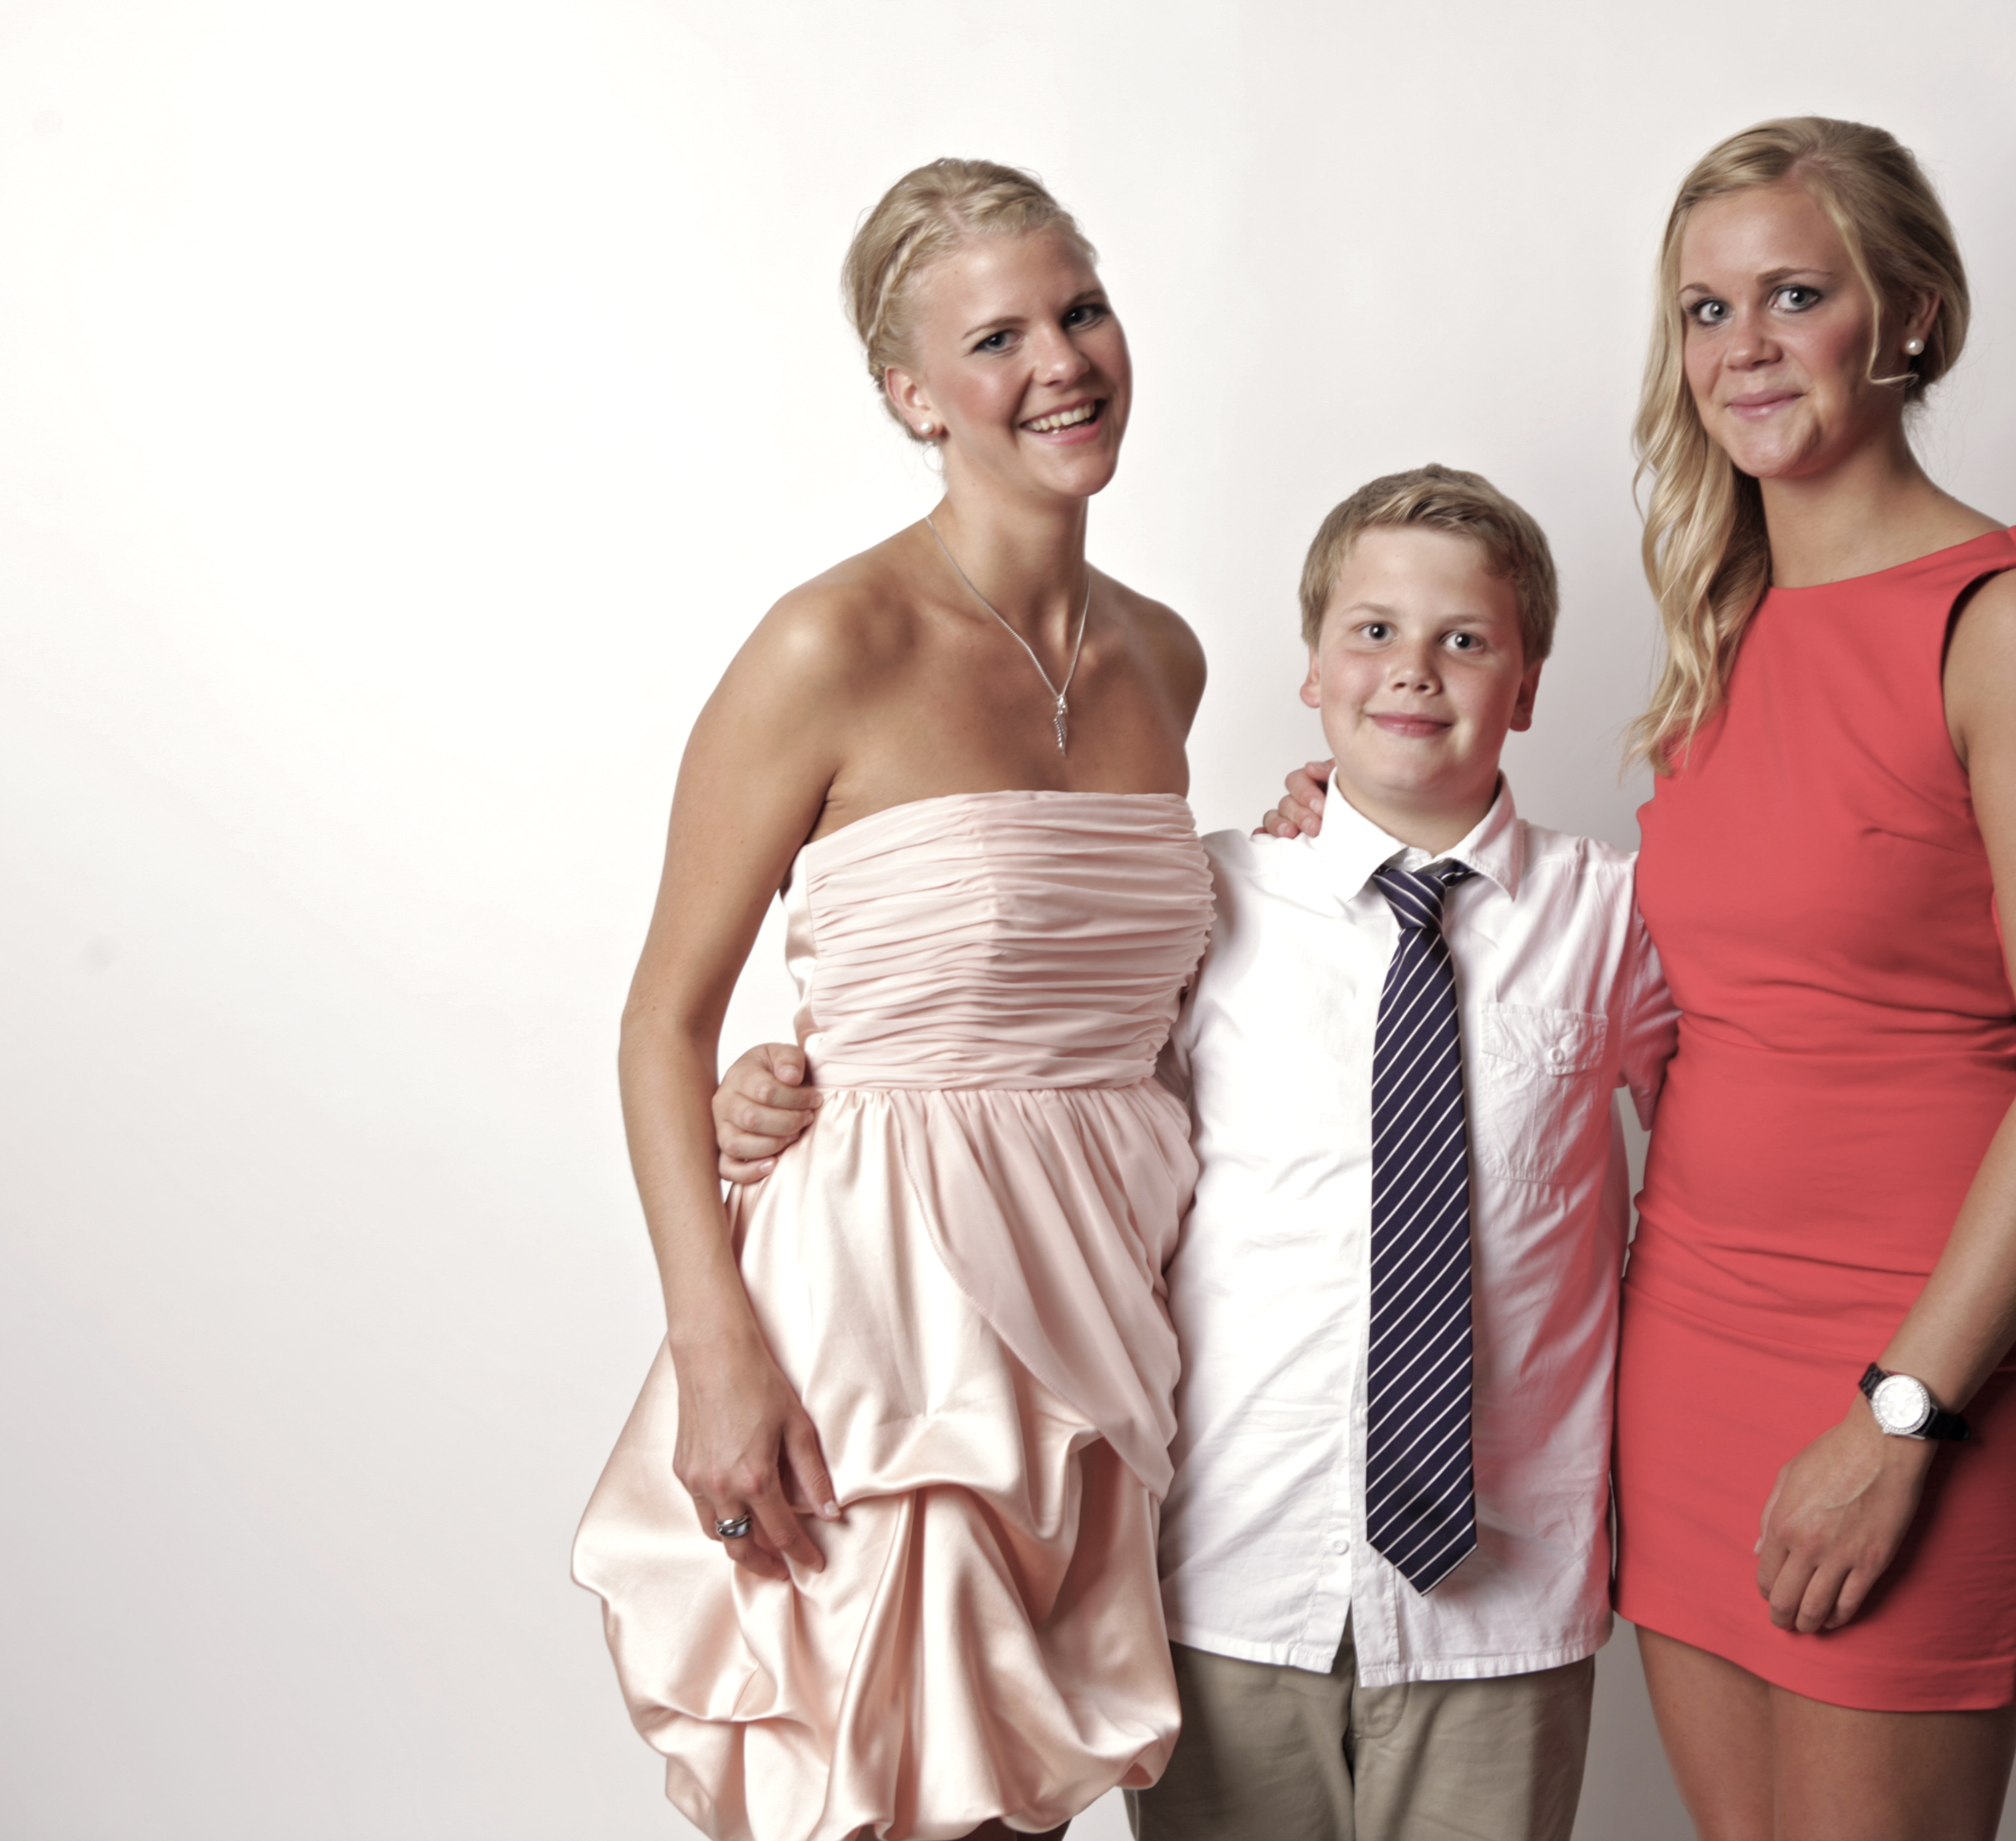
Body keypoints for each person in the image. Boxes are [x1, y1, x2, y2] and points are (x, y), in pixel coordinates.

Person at [1268, 119, 2016, 1840]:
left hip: (1923, 1367)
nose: (1744, 346)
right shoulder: (1724, 636)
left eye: (1796, 295)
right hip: (1683, 1359)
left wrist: (1903, 1415)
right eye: (1705, 309)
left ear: (1910, 314)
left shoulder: (2010, 618)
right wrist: (1343, 826)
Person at [719, 465, 1678, 1841]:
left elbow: (1760, 1124)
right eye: (1373, 631)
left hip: (1503, 1603)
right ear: (1312, 670)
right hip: (1228, 1584)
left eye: (1466, 639)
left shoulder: (1619, 921)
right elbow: (1022, 1077)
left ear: (1527, 685)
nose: (1414, 669)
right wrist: (779, 1086)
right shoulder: (1204, 900)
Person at [570, 157, 1211, 1841]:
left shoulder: (1168, 659)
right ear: (911, 395)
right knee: (889, 1798)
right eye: (996, 338)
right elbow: (662, 1021)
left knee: (1024, 1806)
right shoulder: (828, 646)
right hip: (884, 1311)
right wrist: (715, 1347)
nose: (1061, 362)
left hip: (1112, 1295)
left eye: (1081, 311)